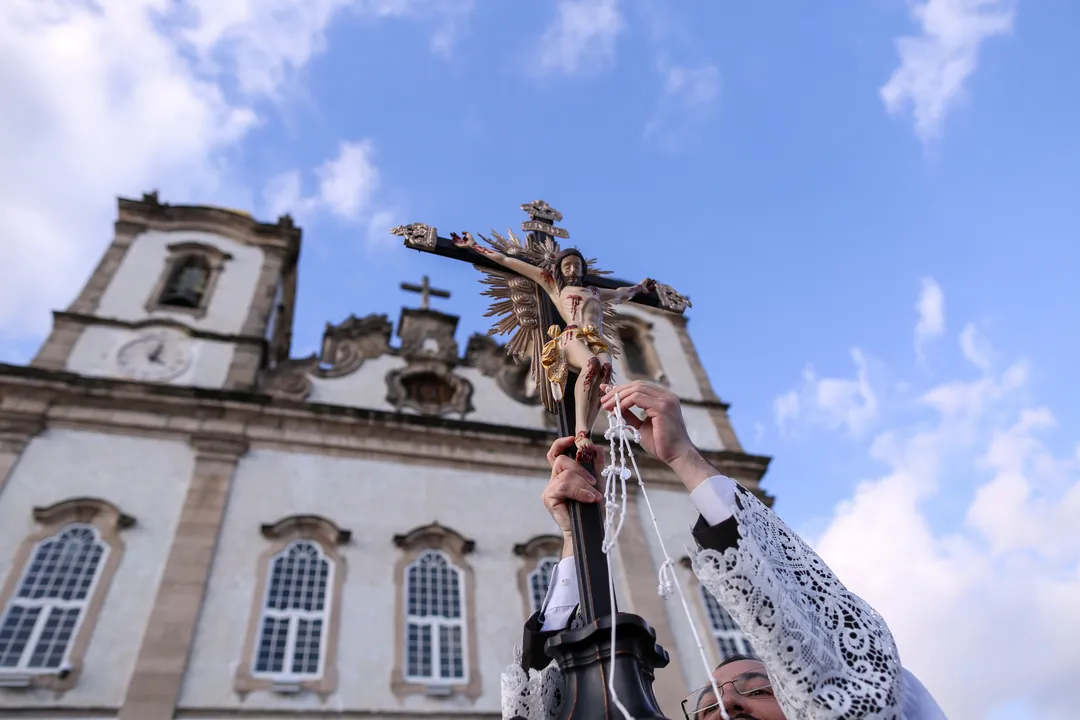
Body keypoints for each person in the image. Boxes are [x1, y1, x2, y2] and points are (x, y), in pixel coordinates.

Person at [501, 381, 947, 720]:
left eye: (757, 689)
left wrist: (683, 458)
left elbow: (825, 636)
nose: (728, 702)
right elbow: (542, 708)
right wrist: (574, 537)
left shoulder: (850, 691)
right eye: (707, 707)